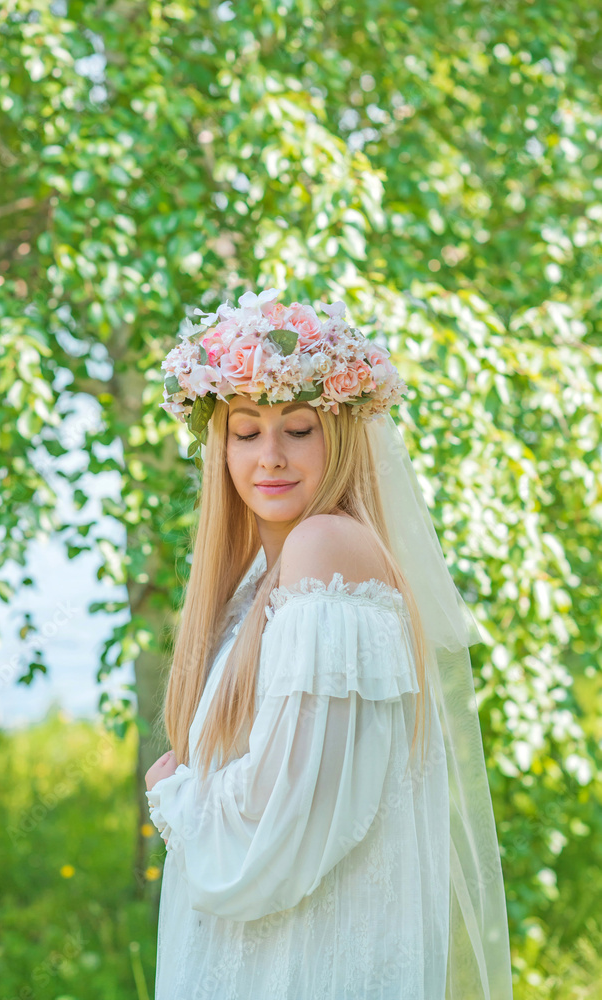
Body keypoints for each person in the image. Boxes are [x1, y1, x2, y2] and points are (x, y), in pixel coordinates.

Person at [144, 288, 514, 999]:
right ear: (219, 447)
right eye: (246, 432)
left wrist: (175, 796)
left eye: (299, 428)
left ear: (339, 434)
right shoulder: (259, 578)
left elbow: (285, 821)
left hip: (302, 965)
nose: (270, 457)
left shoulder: (325, 547)